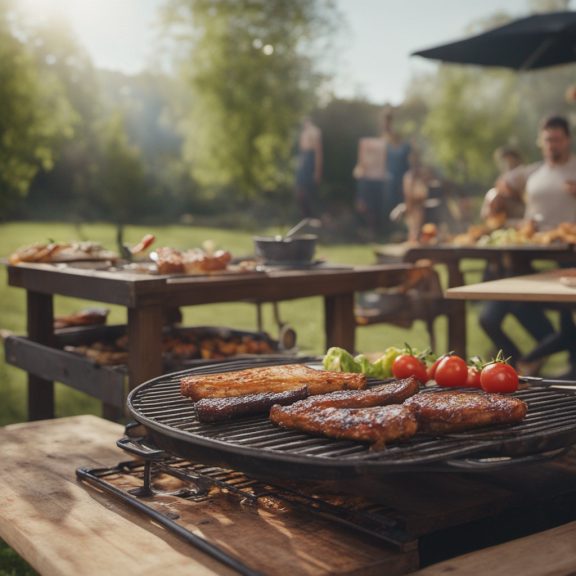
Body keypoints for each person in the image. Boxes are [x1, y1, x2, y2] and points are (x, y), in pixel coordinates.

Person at [480, 116, 576, 374]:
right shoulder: (534, 172)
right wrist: (494, 196)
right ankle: (538, 356)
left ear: (567, 140)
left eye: (557, 139)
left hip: (568, 252)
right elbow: (502, 185)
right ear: (540, 142)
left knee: (567, 307)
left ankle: (551, 355)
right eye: (548, 140)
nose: (552, 145)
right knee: (512, 302)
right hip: (530, 250)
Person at [295, 117, 323, 218]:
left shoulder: (315, 131)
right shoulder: (303, 133)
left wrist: (317, 171)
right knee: (299, 191)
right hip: (303, 160)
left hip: (310, 161)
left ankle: (311, 218)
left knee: (308, 192)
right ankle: (305, 218)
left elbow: (318, 152)